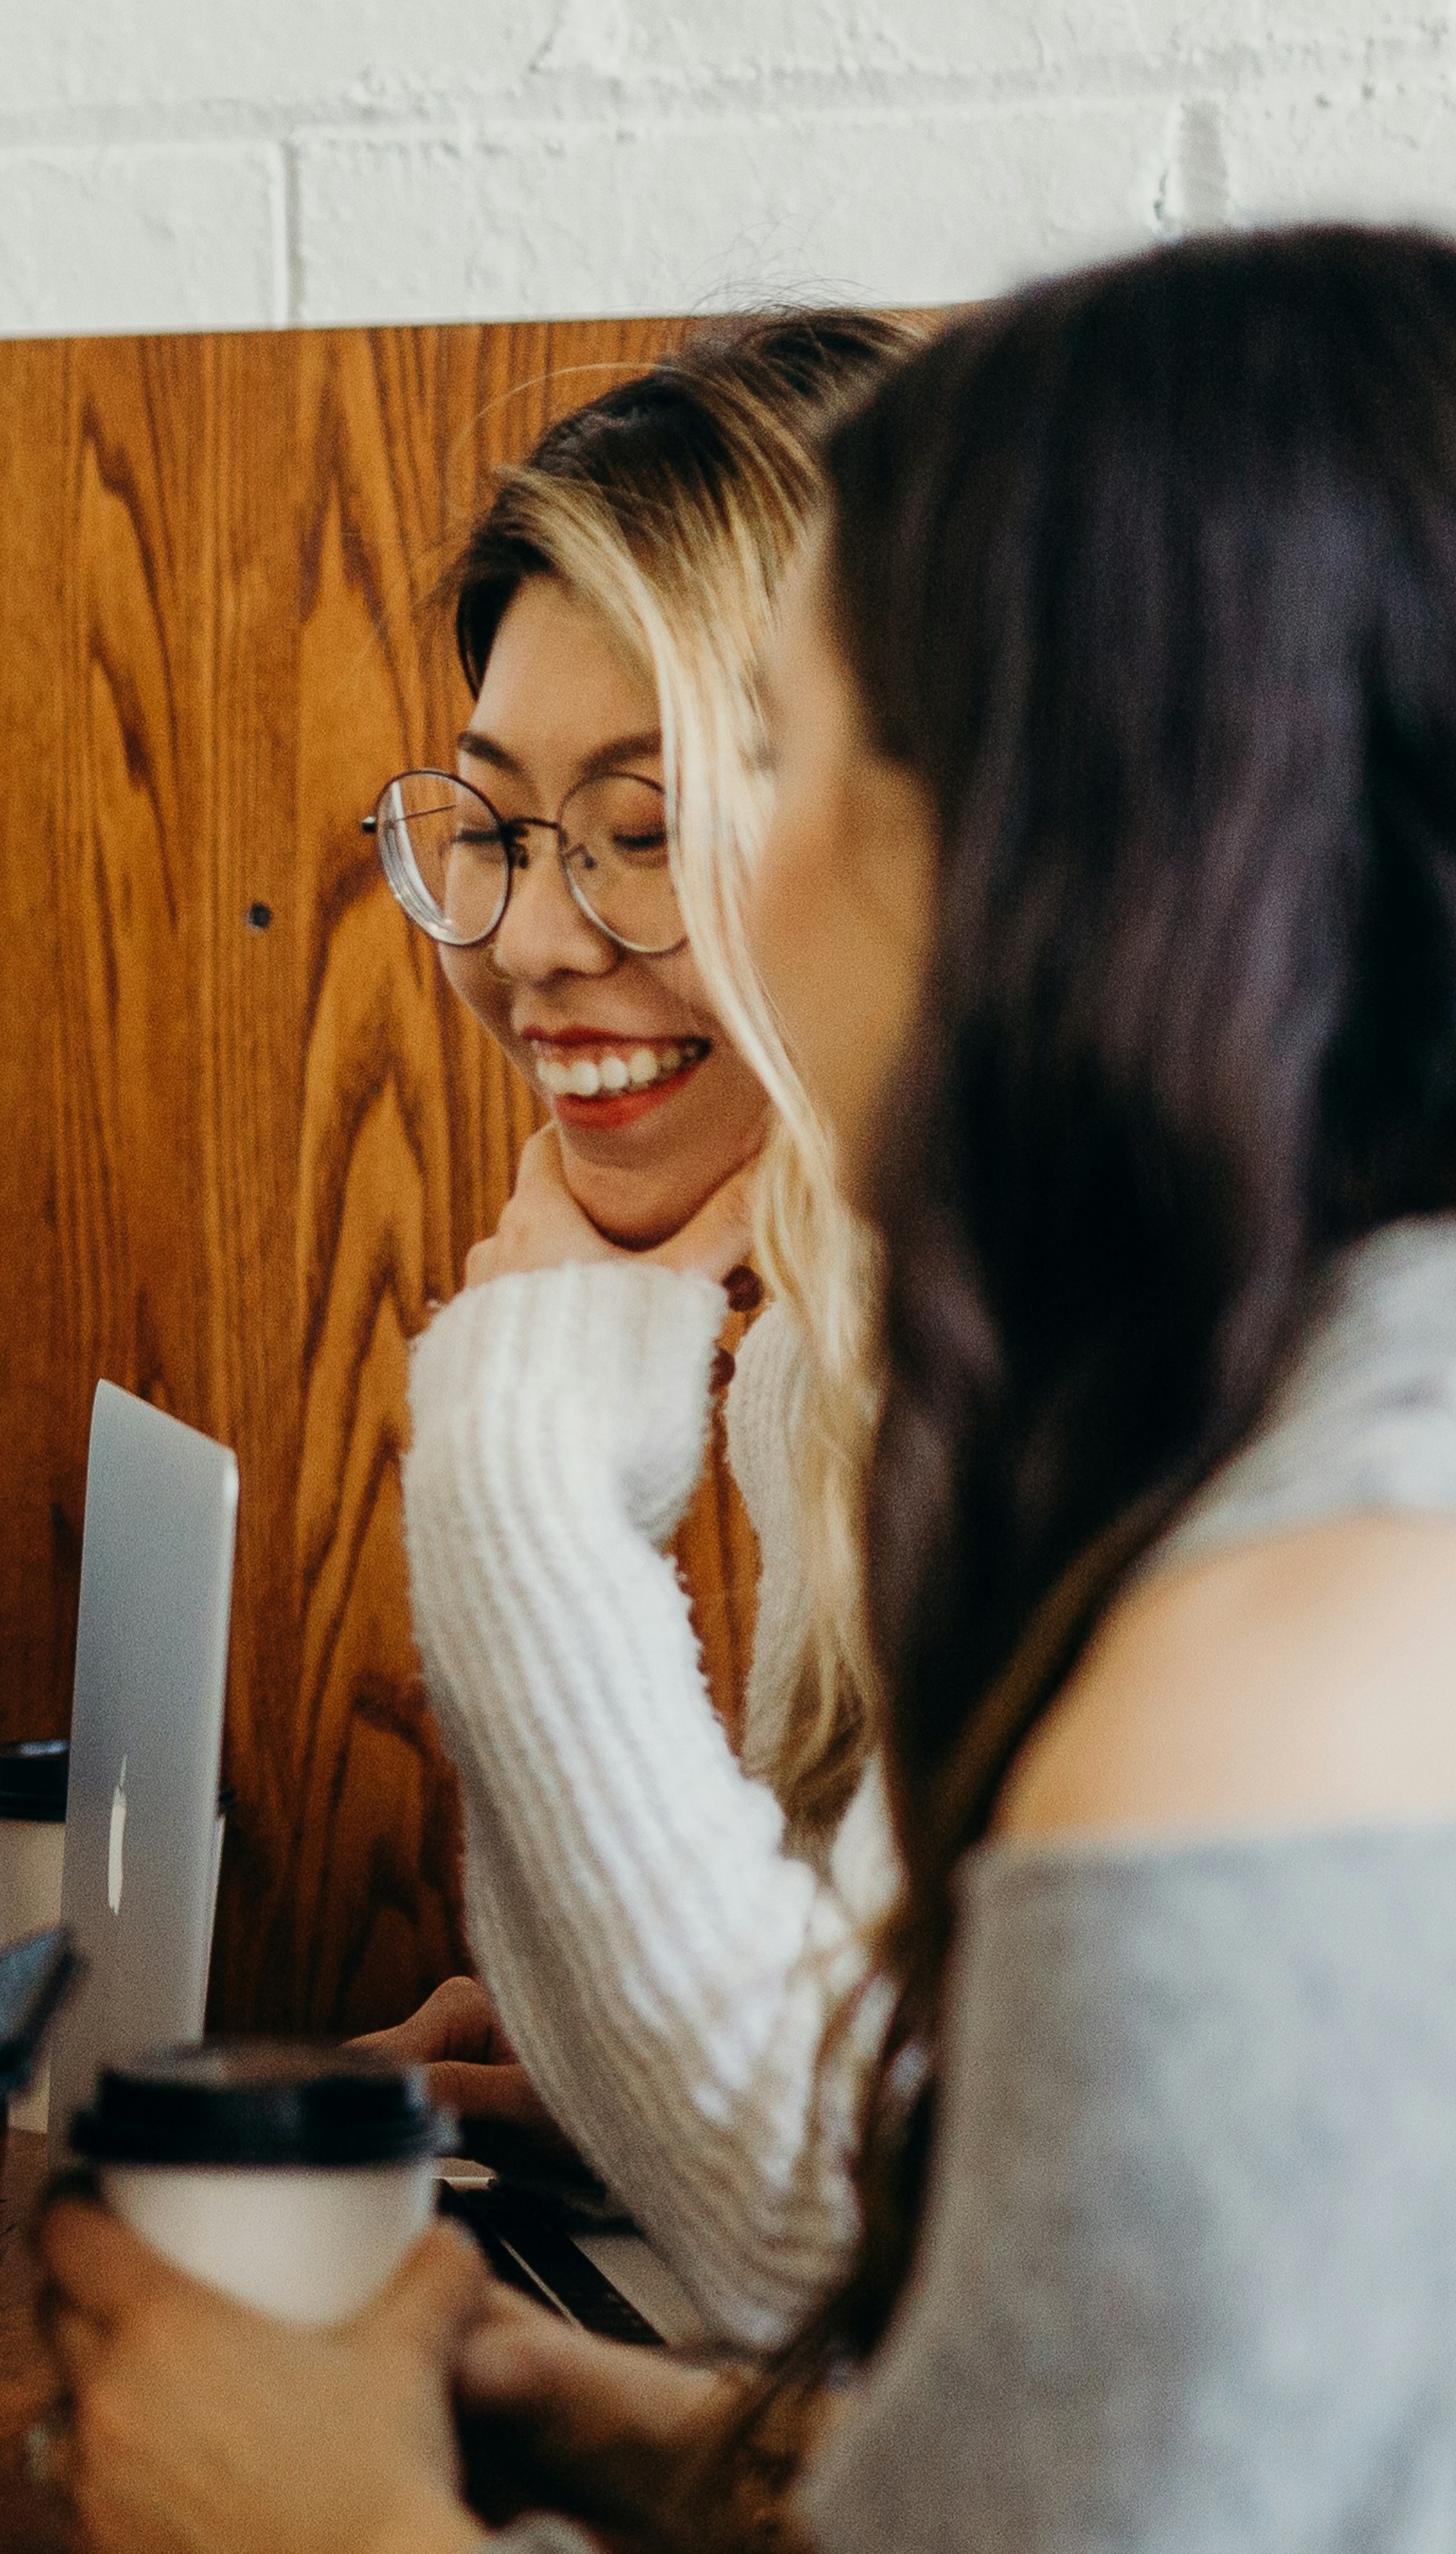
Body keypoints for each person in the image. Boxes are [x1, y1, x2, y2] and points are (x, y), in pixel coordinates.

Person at [46, 222, 1456, 2554]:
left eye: (768, 768)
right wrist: (654, 2457)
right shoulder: (1332, 1433)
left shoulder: (1291, 1642)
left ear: (1079, 835)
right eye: (509, 830)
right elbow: (1183, 2551)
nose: (567, 929)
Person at [353, 312, 915, 2345]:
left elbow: (827, 2233)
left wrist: (516, 1459)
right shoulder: (842, 1351)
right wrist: (616, 2073)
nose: (526, 940)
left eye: (649, 828)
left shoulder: (1095, 1372)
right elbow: (881, 2162)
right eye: (496, 828)